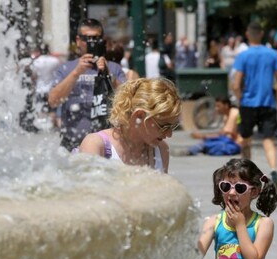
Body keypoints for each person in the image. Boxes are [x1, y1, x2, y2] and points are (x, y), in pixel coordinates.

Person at [49, 18, 127, 151]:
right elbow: (53, 101)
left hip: (107, 143)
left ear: (102, 40)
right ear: (78, 40)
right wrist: (76, 72)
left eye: (96, 38)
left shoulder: (113, 68)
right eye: (87, 38)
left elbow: (128, 100)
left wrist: (109, 76)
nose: (92, 42)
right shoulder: (65, 68)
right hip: (72, 142)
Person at [78, 78, 181, 173]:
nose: (169, 134)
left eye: (172, 127)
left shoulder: (161, 150)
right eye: (164, 126)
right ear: (139, 116)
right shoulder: (95, 145)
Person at [233, 22, 277, 192]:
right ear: (261, 34)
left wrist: (240, 100)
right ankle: (274, 171)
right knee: (268, 140)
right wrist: (276, 99)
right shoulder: (273, 54)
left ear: (248, 34)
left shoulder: (243, 56)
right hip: (267, 103)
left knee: (245, 139)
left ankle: (246, 174)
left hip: (248, 103)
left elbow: (236, 84)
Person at [197, 158, 277, 259]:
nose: (232, 192)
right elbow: (195, 257)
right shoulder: (214, 222)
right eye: (226, 186)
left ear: (254, 192)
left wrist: (240, 225)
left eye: (240, 188)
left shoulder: (264, 224)